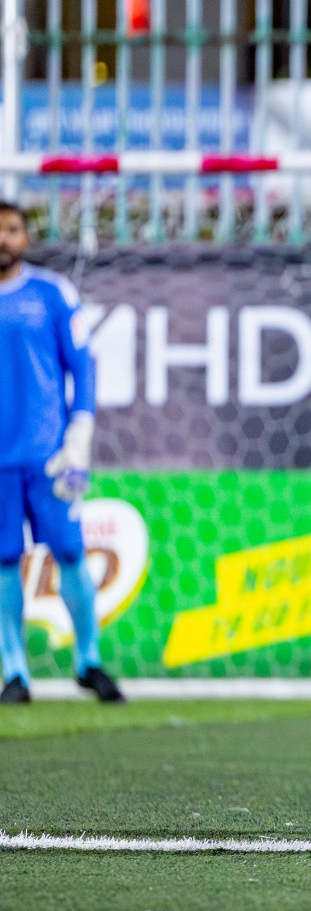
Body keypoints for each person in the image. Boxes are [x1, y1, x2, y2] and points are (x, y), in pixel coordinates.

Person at [0, 202, 124, 704]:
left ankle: (87, 662)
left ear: (26, 238)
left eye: (11, 229)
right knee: (5, 560)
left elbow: (83, 367)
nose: (3, 238)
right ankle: (14, 673)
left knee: (70, 551)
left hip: (51, 456)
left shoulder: (52, 294)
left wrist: (80, 431)